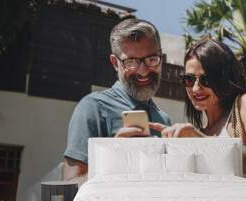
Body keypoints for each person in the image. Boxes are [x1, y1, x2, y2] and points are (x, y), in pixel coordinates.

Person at [150, 37, 246, 180]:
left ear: (224, 78)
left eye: (207, 80)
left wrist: (206, 144)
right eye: (189, 79)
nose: (196, 88)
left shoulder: (245, 104)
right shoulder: (202, 132)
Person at [63, 18, 171, 184]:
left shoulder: (164, 119)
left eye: (151, 59)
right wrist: (115, 159)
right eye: (131, 62)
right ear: (115, 63)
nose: (143, 71)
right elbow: (68, 189)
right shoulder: (93, 108)